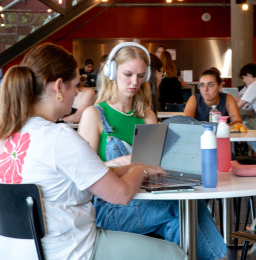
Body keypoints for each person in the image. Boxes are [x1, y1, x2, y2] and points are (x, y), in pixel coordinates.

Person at [0, 42, 188, 260]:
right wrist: (140, 168)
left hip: (9, 253)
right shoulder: (58, 137)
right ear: (59, 87)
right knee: (174, 254)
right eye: (75, 86)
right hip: (68, 251)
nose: (78, 94)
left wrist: (127, 167)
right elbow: (121, 194)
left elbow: (91, 174)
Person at [79, 42, 227, 260]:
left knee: (179, 223)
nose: (134, 82)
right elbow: (83, 177)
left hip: (150, 201)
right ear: (111, 72)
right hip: (112, 208)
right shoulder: (94, 115)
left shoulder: (147, 116)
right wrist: (121, 162)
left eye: (140, 76)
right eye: (128, 74)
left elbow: (155, 167)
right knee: (182, 206)